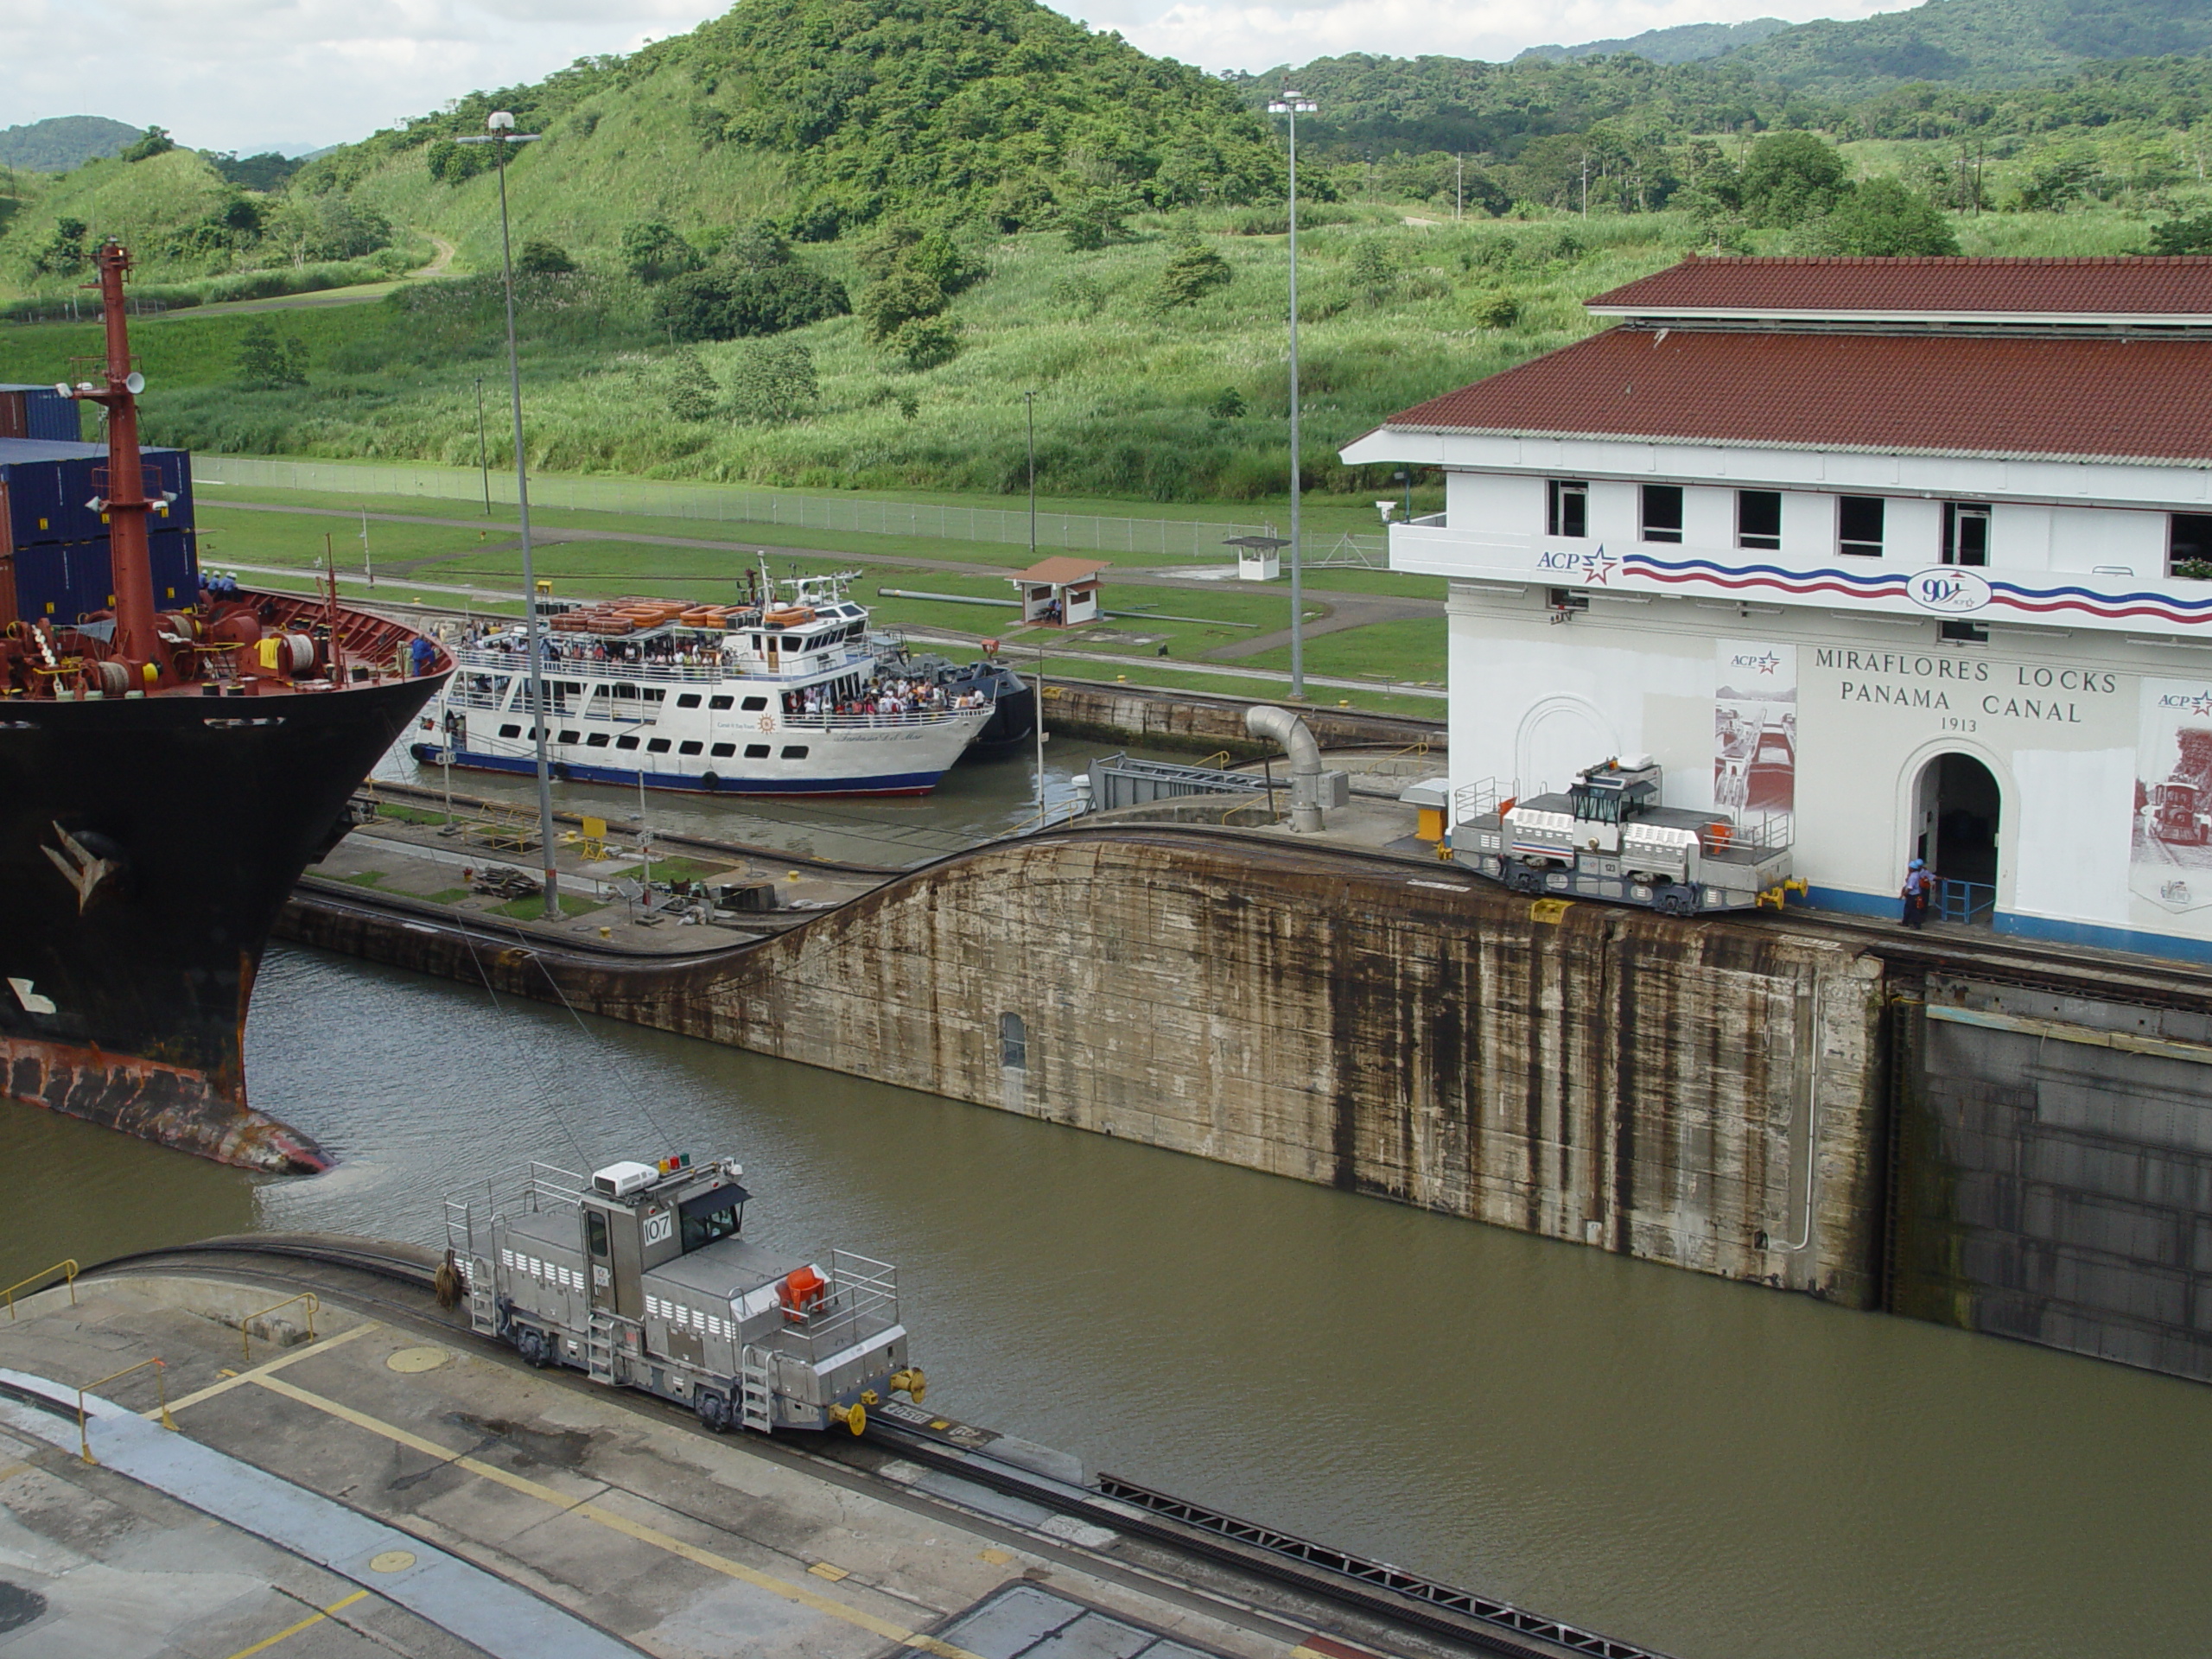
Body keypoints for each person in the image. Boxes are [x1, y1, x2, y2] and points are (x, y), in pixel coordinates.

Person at [1901, 857, 1935, 927]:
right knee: (1910, 909)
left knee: (1913, 910)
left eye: (1910, 867)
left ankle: (1916, 925)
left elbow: (1910, 887)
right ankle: (1906, 922)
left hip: (1913, 895)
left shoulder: (1914, 876)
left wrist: (1904, 894)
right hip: (1914, 894)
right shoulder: (1916, 874)